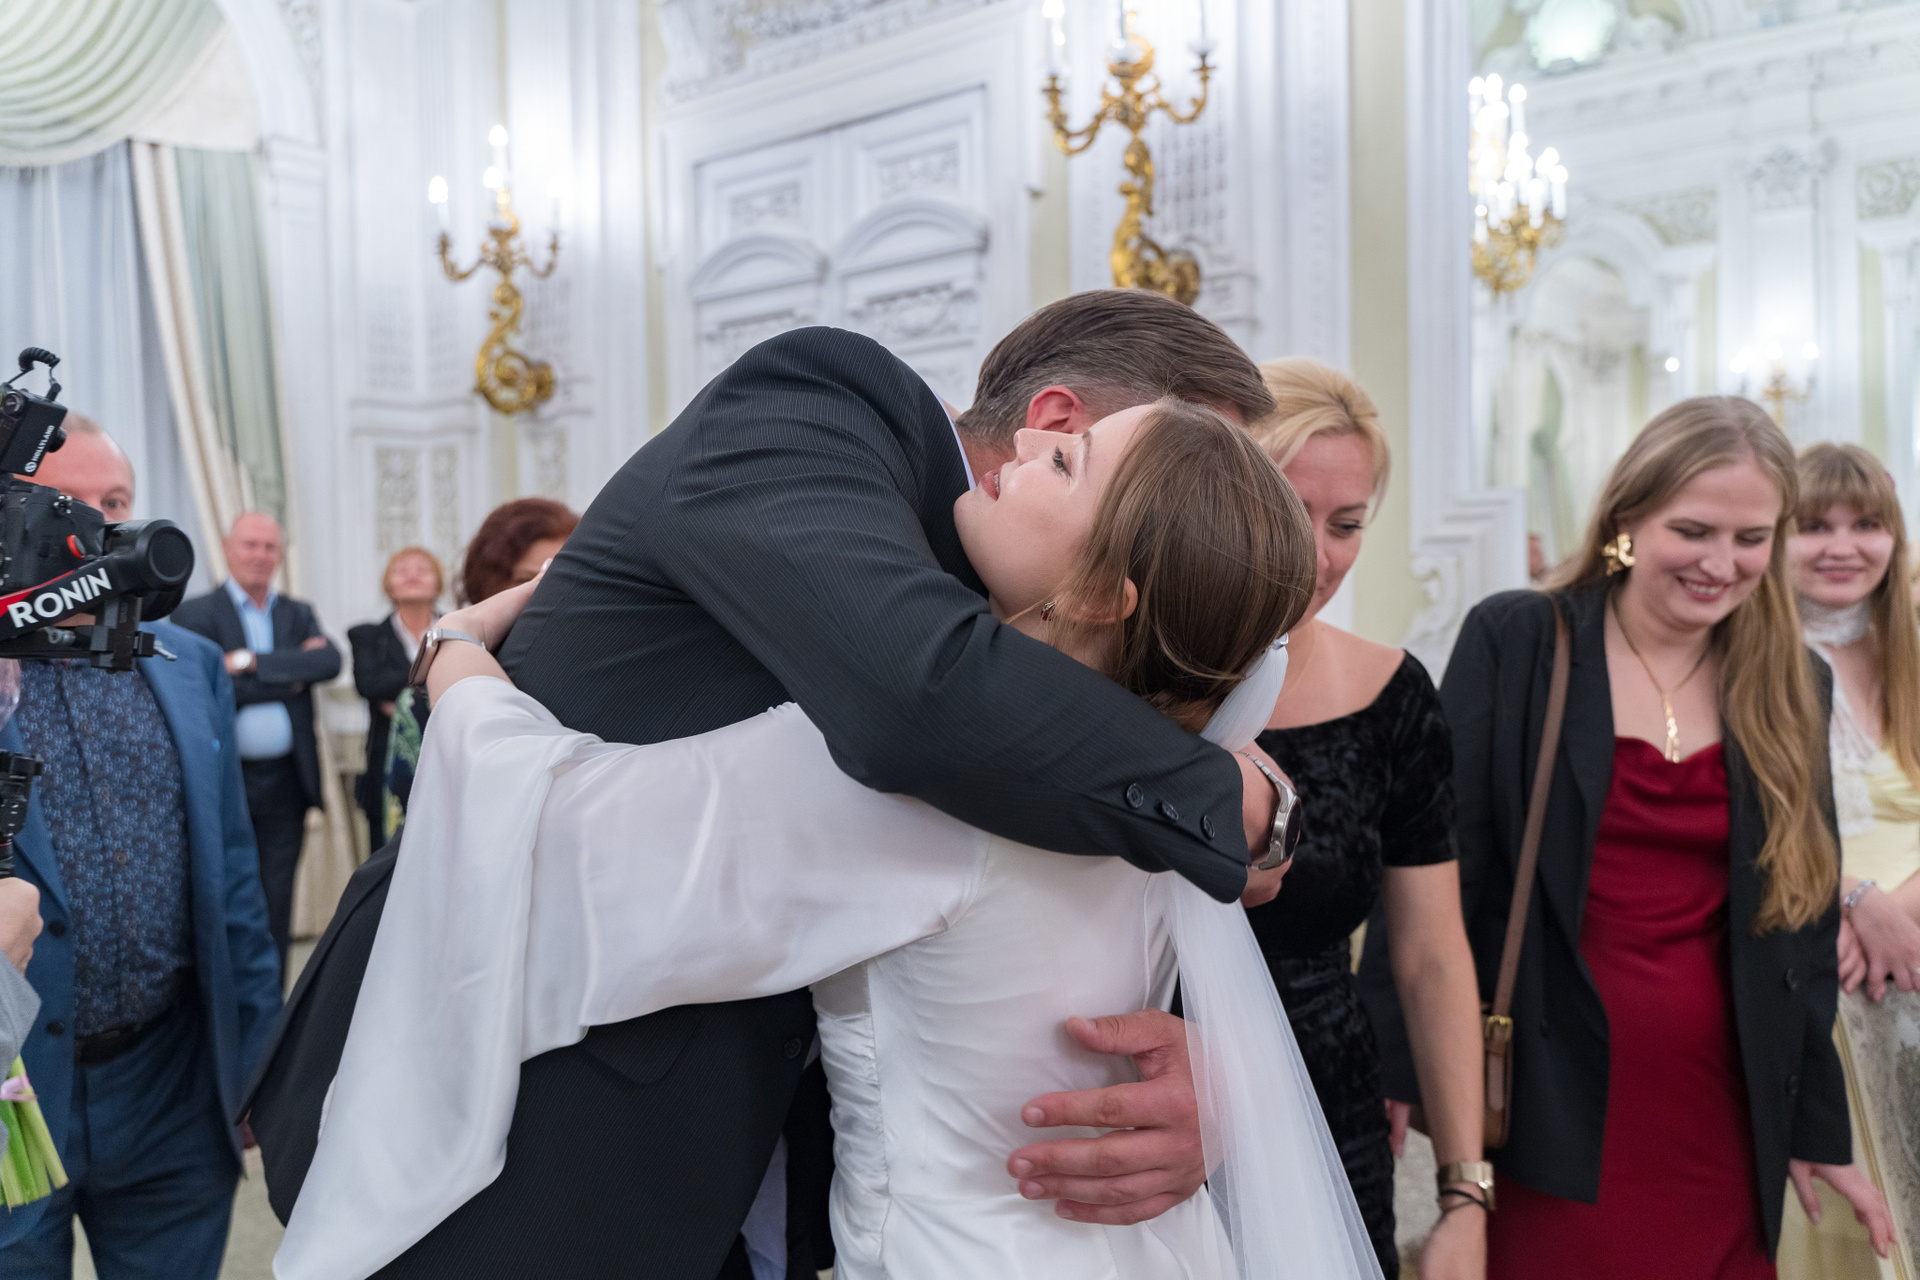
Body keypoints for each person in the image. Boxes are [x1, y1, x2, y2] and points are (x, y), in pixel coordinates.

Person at [245, 292, 1298, 1279]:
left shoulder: (1040, 749)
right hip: (539, 1133)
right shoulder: (825, 407)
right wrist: (1239, 802)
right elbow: (919, 700)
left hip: (809, 1188)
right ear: (1057, 414)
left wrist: (457, 658)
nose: (1218, 537)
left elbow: (554, 815)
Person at [1443, 397, 1892, 1277]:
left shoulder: (1792, 679)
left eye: (1751, 538)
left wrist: (1816, 1126)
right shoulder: (1521, 639)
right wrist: (1398, 1071)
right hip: (1552, 1099)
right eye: (1693, 531)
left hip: (1729, 1104)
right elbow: (1440, 875)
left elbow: (1799, 915)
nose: (1722, 564)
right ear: (1628, 517)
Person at [0, 419, 281, 1277]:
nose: (96, 529)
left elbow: (233, 876)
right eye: (66, 505)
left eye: (114, 503)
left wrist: (258, 1061)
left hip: (172, 1088)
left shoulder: (190, 662)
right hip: (16, 1090)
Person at [1241, 359, 1486, 1278]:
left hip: (1325, 1099)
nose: (1316, 556)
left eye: (1345, 526)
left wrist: (1464, 1192)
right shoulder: (1119, 678)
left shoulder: (1392, 694)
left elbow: (1432, 954)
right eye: (1285, 511)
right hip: (1137, 1099)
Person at [1777, 442, 1920, 1278]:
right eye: (1814, 525)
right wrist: (1852, 900)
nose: (1842, 546)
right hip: (1811, 938)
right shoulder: (1743, 656)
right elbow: (1744, 820)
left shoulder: (1912, 649)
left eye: (1866, 524)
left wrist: (1898, 911)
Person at [172, 513, 342, 971]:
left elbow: (328, 664)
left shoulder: (297, 613)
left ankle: (273, 1000)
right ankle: (231, 998)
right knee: (225, 898)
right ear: (228, 549)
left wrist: (246, 662)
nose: (260, 555)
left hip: (288, 781)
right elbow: (205, 686)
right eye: (250, 545)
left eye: (269, 546)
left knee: (277, 900)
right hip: (225, 781)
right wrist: (290, 675)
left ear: (281, 555)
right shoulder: (194, 614)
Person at [376, 500, 577, 838]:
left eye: (564, 577)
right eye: (527, 580)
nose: (547, 593)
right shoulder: (426, 703)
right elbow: (407, 831)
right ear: (488, 587)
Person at [346, 549, 442, 852]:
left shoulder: (459, 630)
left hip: (447, 760)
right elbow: (369, 684)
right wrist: (435, 677)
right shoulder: (367, 636)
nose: (412, 575)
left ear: (439, 584)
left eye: (422, 569)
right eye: (401, 570)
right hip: (385, 767)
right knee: (386, 860)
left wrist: (399, 698)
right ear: (388, 586)